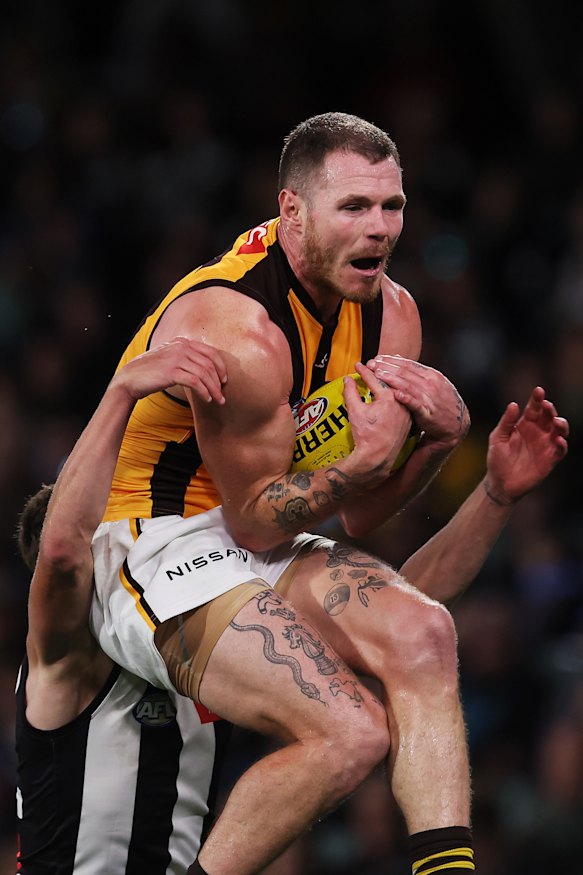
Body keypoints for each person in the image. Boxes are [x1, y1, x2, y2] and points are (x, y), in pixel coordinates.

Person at [88, 112, 569, 875]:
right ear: (291, 212)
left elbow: (361, 514)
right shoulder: (239, 328)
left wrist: (431, 444)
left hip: (263, 531)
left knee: (425, 633)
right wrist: (358, 463)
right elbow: (248, 520)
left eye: (392, 206)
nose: (378, 230)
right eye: (353, 208)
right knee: (349, 731)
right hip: (152, 539)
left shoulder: (392, 313)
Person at [15, 337, 232, 874]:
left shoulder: (215, 625)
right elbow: (63, 553)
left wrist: (482, 501)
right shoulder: (71, 655)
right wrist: (124, 389)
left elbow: (384, 625)